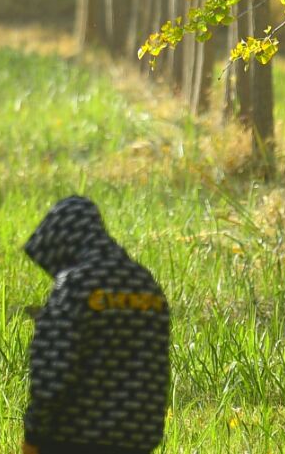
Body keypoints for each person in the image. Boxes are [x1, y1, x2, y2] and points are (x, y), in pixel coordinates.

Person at [19, 195, 170, 454]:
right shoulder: (145, 284)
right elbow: (157, 367)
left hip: (73, 439)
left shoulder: (75, 283)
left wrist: (33, 434)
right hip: (137, 439)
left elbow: (53, 373)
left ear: (65, 241)